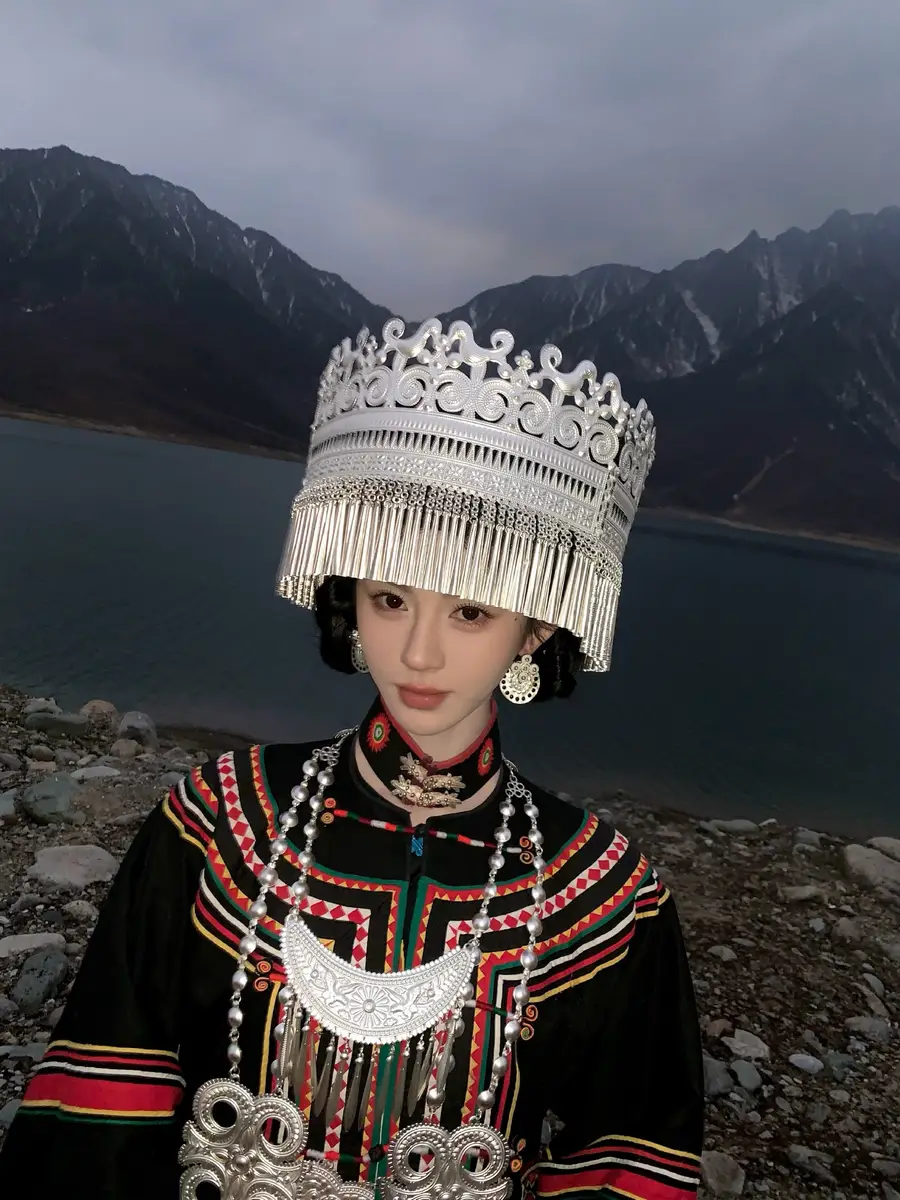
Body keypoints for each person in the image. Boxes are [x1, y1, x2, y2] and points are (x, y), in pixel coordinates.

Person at [0, 318, 704, 1199]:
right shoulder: (218, 820)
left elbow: (630, 1158)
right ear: (350, 597)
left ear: (537, 628)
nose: (417, 653)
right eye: (389, 599)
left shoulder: (603, 892)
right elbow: (106, 1089)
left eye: (471, 613)